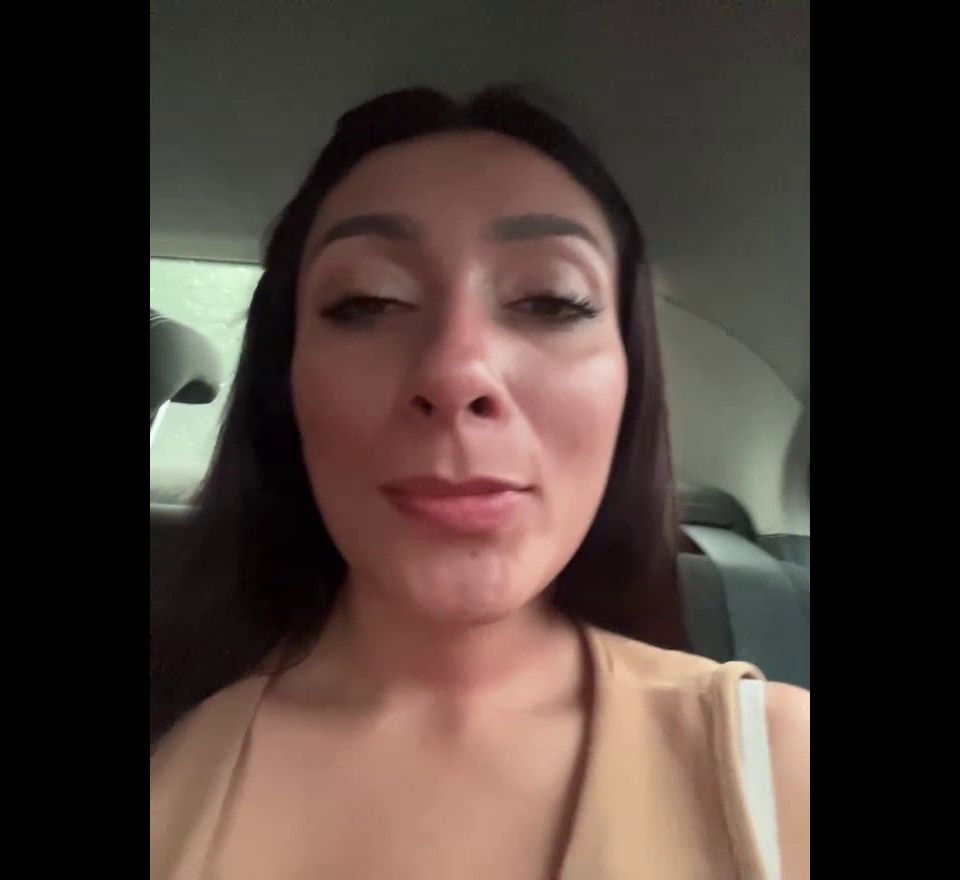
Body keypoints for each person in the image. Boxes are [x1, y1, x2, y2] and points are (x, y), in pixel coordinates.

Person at [150, 85, 810, 880]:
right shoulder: (169, 781)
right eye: (368, 301)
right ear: (285, 384)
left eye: (552, 301)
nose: (457, 371)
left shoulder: (782, 771)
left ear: (630, 385)